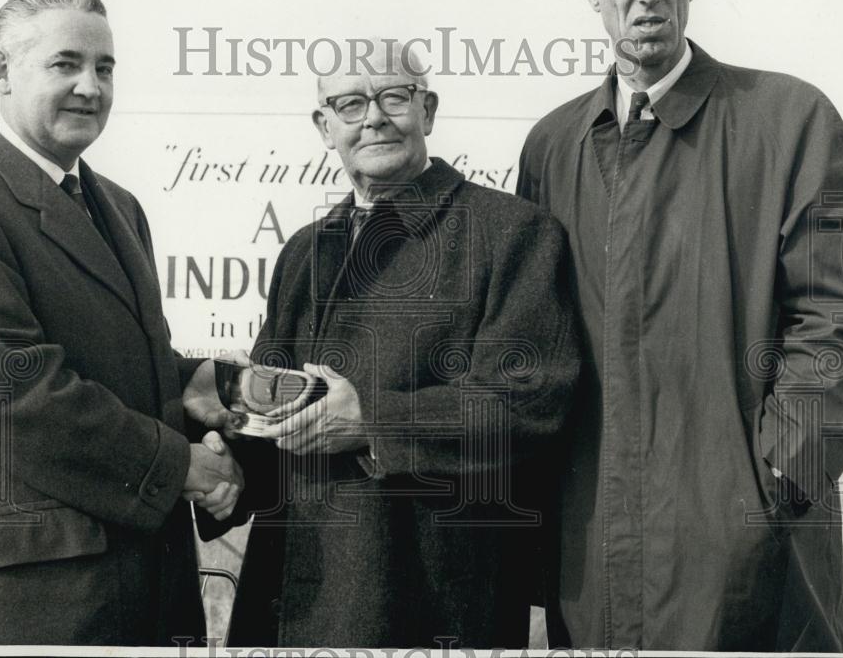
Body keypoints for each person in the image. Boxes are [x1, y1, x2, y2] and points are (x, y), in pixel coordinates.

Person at [516, 0, 843, 653]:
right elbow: (539, 347)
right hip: (594, 554)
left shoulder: (788, 120)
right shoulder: (553, 148)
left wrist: (770, 484)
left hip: (746, 551)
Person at [0, 0, 243, 645]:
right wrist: (182, 467)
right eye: (66, 64)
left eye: (105, 67)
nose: (91, 86)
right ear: (1, 71)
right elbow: (12, 391)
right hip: (37, 600)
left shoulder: (119, 204)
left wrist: (199, 383)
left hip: (147, 584)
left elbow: (114, 361)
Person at [212, 42, 580, 647]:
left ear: (427, 111)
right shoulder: (304, 250)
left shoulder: (512, 232)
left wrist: (374, 423)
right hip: (295, 597)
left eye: (393, 97)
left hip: (429, 595)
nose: (373, 117)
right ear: (324, 127)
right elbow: (274, 410)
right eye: (350, 103)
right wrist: (227, 465)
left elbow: (532, 404)